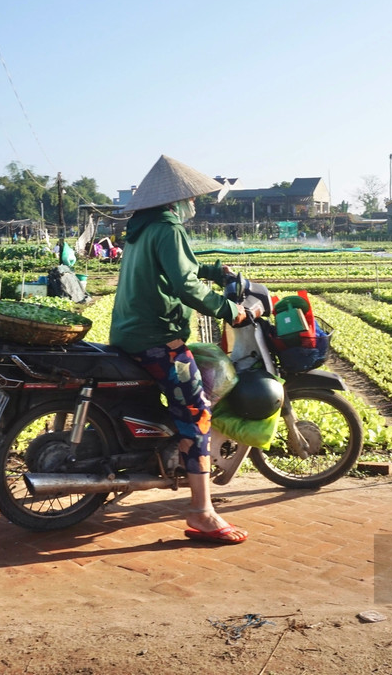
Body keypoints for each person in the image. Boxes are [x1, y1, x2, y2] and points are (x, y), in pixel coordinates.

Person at [109, 155, 252, 545]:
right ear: (177, 200)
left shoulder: (142, 228)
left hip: (128, 332)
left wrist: (214, 271)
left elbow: (180, 270)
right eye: (193, 199)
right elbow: (186, 288)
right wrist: (230, 311)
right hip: (156, 338)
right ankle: (202, 512)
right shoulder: (168, 228)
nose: (195, 205)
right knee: (198, 410)